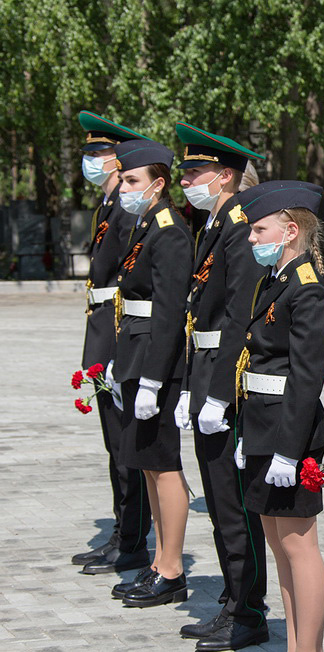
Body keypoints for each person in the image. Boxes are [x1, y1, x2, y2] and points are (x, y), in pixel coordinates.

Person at [173, 122, 269, 651]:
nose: (186, 179)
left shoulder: (239, 224)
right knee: (217, 497)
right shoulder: (214, 223)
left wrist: (217, 392)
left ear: (226, 176)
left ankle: (249, 610)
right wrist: (192, 385)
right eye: (185, 171)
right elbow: (199, 318)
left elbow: (237, 316)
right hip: (207, 368)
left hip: (226, 379)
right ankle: (234, 600)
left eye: (196, 171)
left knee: (233, 504)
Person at [236, 180, 324, 652]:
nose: (251, 238)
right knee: (278, 545)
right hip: (262, 427)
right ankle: (296, 640)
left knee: (298, 545)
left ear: (290, 230)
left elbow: (305, 377)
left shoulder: (309, 290)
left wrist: (289, 451)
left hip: (288, 435)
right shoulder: (274, 281)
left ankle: (306, 646)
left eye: (259, 229)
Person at [106, 138, 194, 607]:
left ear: (157, 184)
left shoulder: (169, 231)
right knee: (145, 465)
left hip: (156, 363)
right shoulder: (145, 225)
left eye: (132, 180)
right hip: (137, 356)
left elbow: (168, 311)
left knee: (163, 467)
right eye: (122, 179)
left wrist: (156, 379)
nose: (123, 187)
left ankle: (172, 567)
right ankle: (159, 561)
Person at [72, 111, 154, 577]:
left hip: (118, 331)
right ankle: (124, 531)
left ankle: (132, 539)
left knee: (125, 442)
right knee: (113, 441)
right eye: (87, 153)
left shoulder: (125, 211)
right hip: (102, 325)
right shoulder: (108, 208)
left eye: (98, 154)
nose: (90, 161)